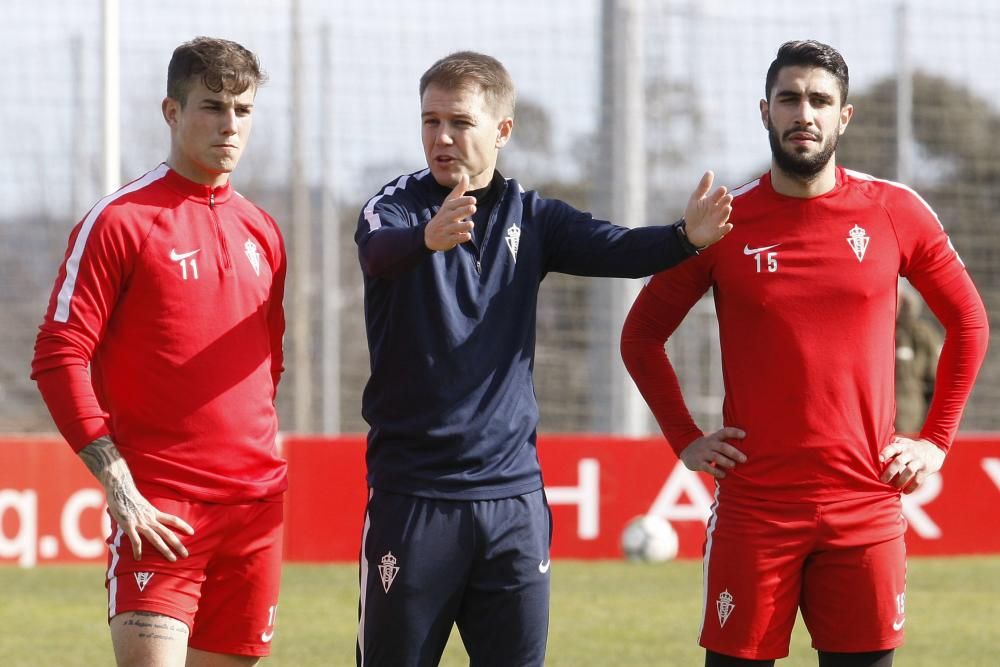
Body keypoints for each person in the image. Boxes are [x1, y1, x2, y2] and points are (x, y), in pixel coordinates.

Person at [353, 50, 733, 667]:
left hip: (513, 502)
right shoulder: (395, 207)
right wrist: (427, 238)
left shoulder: (534, 217)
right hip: (415, 498)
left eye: (459, 122)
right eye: (430, 121)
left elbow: (619, 250)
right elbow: (378, 252)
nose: (441, 137)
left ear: (502, 130)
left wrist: (683, 238)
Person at [620, 40, 989, 667]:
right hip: (755, 508)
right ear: (765, 111)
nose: (804, 114)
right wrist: (685, 437)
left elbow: (970, 322)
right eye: (789, 99)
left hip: (866, 504)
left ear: (843, 117)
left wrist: (935, 439)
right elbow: (641, 336)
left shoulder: (894, 211)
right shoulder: (724, 221)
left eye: (820, 100)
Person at [31, 37, 286, 667]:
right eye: (212, 106)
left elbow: (267, 366)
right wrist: (118, 483)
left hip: (256, 511)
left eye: (243, 110)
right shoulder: (120, 220)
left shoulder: (263, 231)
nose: (229, 125)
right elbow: (59, 353)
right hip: (160, 511)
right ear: (171, 112)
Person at [894, 285, 943, 433]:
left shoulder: (922, 335)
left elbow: (941, 385)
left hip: (910, 433)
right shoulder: (860, 334)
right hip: (864, 437)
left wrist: (932, 434)